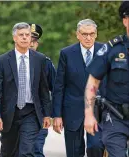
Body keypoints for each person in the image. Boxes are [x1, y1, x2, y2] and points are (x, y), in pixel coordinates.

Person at [0, 22, 51, 157]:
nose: (25, 38)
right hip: (9, 113)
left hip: (31, 112)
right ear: (14, 38)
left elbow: (43, 88)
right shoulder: (2, 60)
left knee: (26, 151)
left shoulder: (39, 59)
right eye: (21, 35)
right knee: (8, 152)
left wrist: (47, 113)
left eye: (27, 35)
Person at [52, 19, 105, 157]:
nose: (88, 37)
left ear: (96, 34)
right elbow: (59, 86)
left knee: (96, 147)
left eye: (91, 34)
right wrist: (57, 115)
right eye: (84, 34)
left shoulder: (105, 51)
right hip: (72, 111)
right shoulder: (66, 53)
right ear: (78, 34)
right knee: (74, 152)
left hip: (98, 111)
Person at [84, 2, 129, 157]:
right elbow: (93, 82)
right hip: (116, 117)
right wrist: (89, 114)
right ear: (125, 21)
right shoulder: (112, 49)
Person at [29, 23, 56, 157]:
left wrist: (56, 114)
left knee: (35, 150)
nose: (31, 44)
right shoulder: (8, 61)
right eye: (29, 39)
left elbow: (56, 89)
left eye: (34, 41)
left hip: (39, 116)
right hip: (15, 116)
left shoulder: (45, 63)